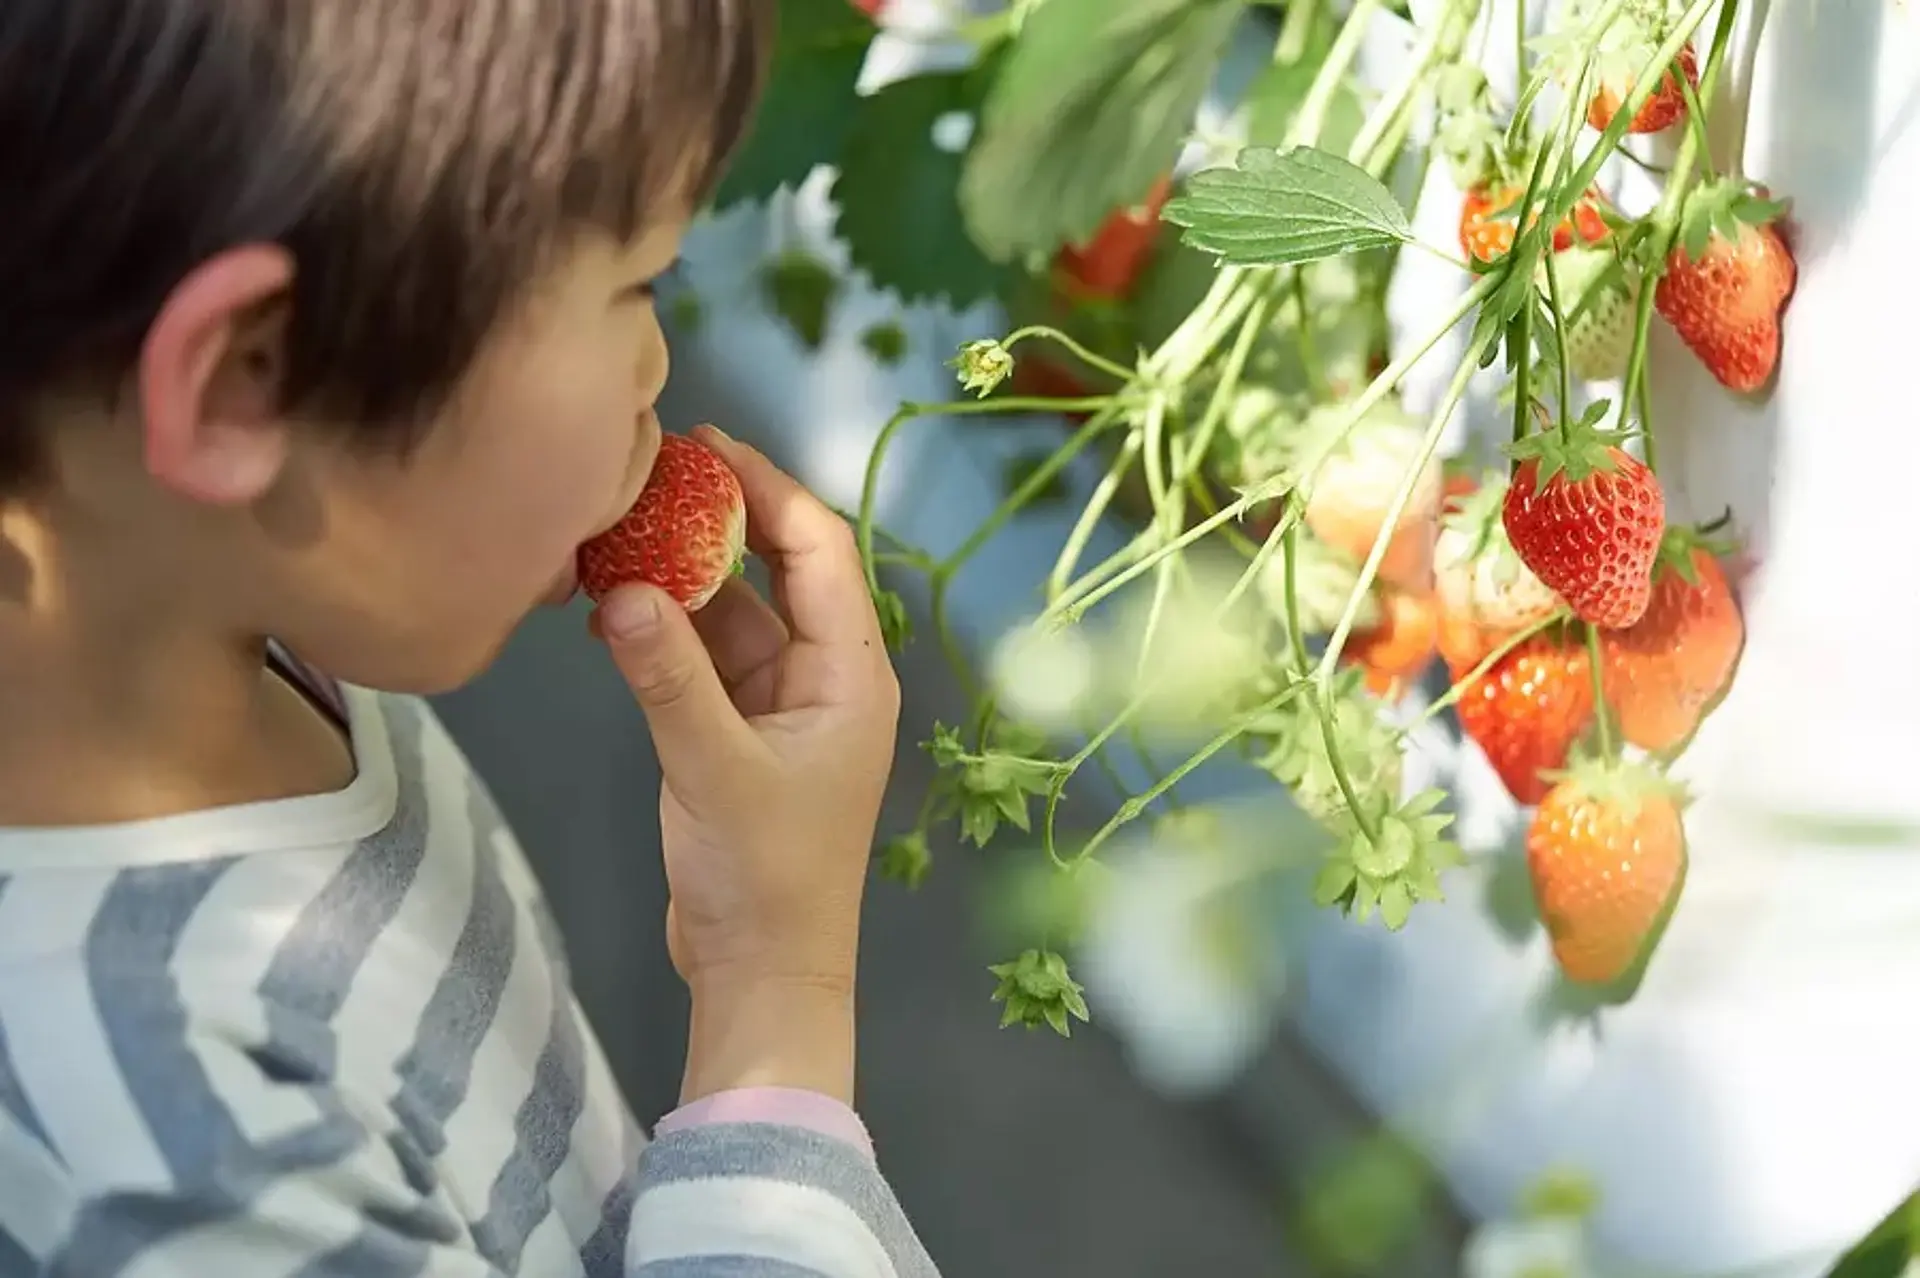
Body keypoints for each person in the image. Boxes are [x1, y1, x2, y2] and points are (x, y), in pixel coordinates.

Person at [0, 2, 935, 1275]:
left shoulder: (239, 618)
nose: (659, 366)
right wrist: (775, 988)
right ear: (245, 382)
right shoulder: (186, 1173)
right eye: (635, 283)